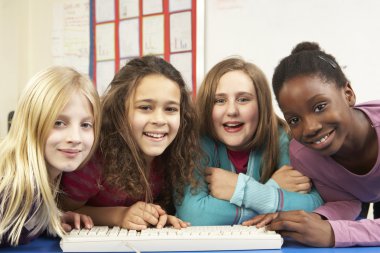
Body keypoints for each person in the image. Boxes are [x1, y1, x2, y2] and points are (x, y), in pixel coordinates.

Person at [243, 41, 380, 247]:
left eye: (319, 107)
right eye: (295, 120)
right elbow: (345, 201)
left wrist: (334, 234)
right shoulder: (303, 154)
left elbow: (342, 232)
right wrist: (312, 220)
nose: (310, 128)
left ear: (348, 94)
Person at [175, 58, 323, 225]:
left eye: (243, 99)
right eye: (220, 100)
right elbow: (195, 215)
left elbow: (316, 205)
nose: (232, 111)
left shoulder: (282, 138)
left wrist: (243, 191)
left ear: (261, 105)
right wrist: (270, 192)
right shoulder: (194, 143)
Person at [60, 56, 201, 230]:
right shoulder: (94, 158)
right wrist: (120, 215)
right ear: (119, 110)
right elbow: (64, 209)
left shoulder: (176, 153)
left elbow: (158, 205)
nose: (159, 120)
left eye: (170, 109)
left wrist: (158, 217)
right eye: (145, 107)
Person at [0, 66, 100, 246]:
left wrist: (50, 219)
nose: (75, 138)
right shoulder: (10, 187)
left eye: (85, 125)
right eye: (59, 123)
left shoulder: (45, 178)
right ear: (31, 123)